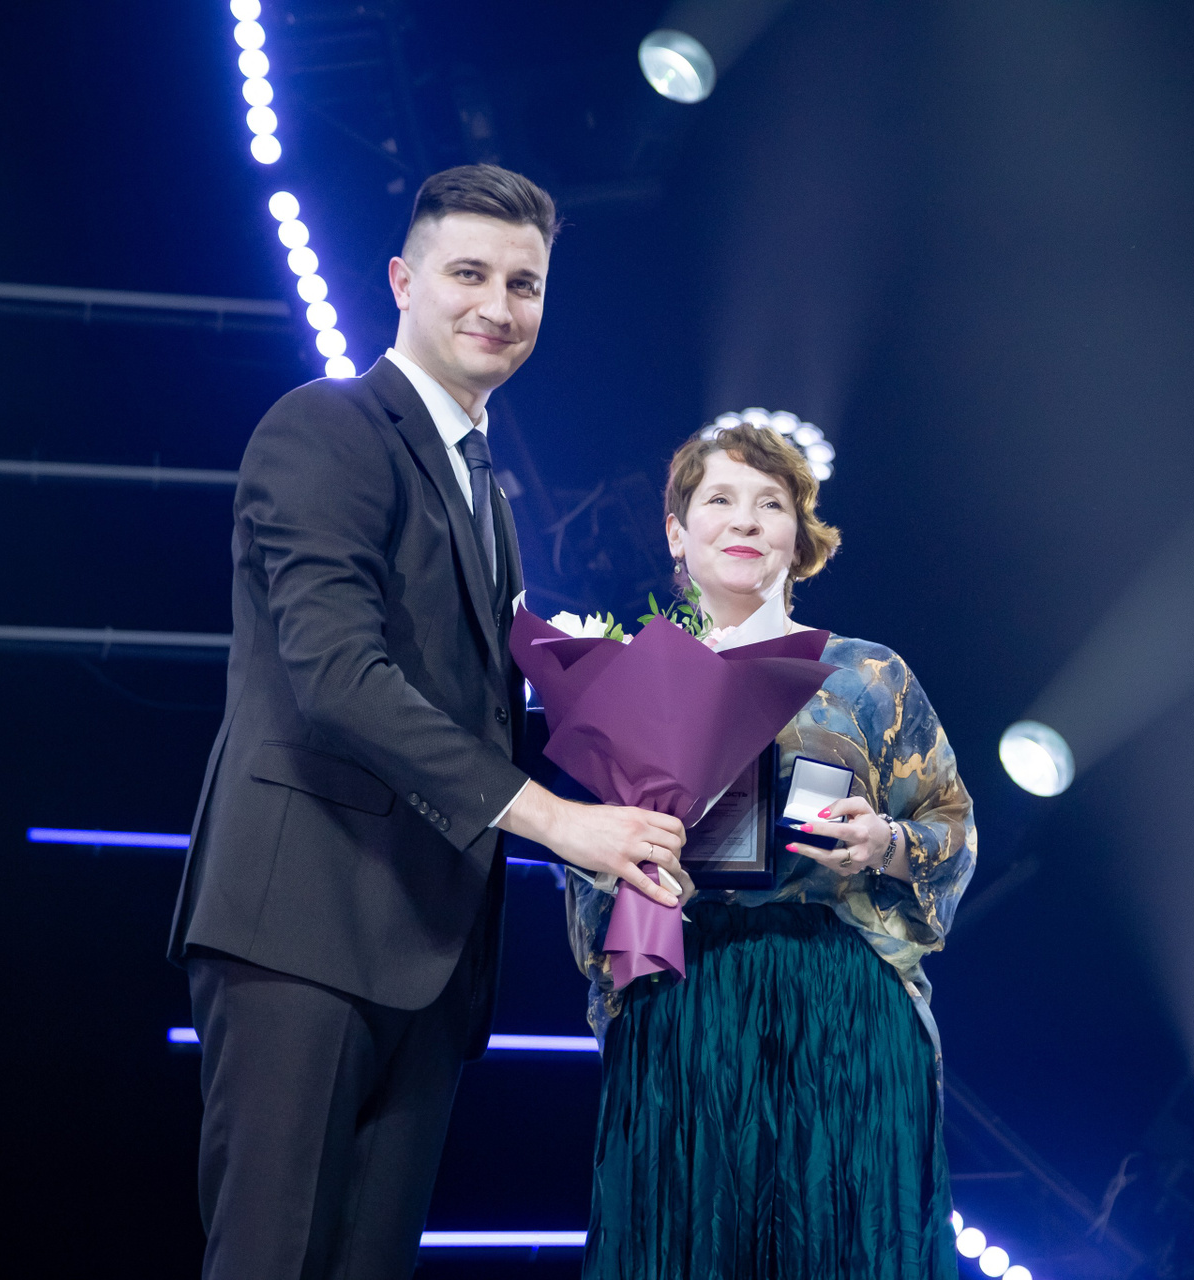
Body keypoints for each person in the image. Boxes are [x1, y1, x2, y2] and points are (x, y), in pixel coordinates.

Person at [165, 164, 691, 1280]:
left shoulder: (485, 487)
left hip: (431, 951)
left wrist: (678, 772)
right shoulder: (327, 426)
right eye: (469, 274)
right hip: (303, 925)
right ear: (404, 281)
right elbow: (337, 676)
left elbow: (479, 710)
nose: (498, 306)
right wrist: (561, 821)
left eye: (524, 284)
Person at [570, 421, 977, 1279]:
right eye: (719, 500)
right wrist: (636, 869)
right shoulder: (630, 680)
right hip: (687, 1002)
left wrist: (882, 841)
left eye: (771, 504)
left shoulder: (868, 675)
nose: (746, 520)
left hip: (840, 1004)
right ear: (678, 532)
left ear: (800, 535)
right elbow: (588, 883)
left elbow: (952, 830)